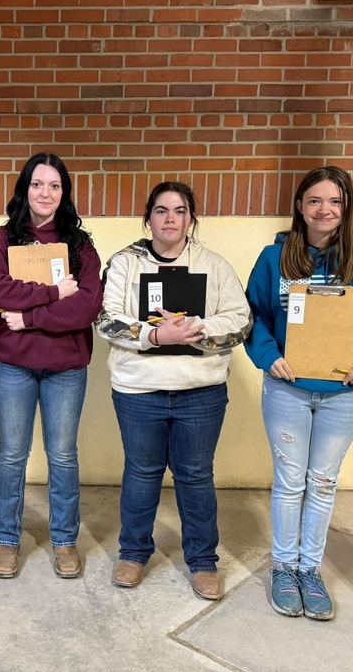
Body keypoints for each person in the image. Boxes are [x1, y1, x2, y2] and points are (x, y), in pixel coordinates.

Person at [244, 165, 353, 620]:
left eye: (334, 201)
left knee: (323, 484)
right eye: (314, 200)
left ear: (346, 206)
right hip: (287, 389)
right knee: (290, 484)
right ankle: (283, 568)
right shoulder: (274, 260)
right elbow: (253, 314)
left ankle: (310, 570)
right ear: (300, 207)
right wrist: (268, 354)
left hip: (344, 393)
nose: (324, 209)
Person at [96, 181, 251, 600]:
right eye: (161, 211)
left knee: (196, 475)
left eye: (179, 211)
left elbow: (240, 320)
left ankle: (202, 562)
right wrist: (155, 336)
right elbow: (106, 318)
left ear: (190, 219)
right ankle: (132, 553)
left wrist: (196, 330)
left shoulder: (214, 266)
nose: (170, 218)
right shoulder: (125, 264)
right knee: (142, 472)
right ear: (148, 218)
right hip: (138, 390)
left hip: (199, 391)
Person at [0, 152, 102, 579]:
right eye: (37, 184)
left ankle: (65, 540)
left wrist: (29, 316)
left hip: (66, 366)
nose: (45, 193)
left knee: (63, 456)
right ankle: (7, 541)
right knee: (12, 455)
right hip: (13, 364)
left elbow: (86, 307)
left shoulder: (80, 245)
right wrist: (53, 291)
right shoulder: (2, 238)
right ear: (24, 189)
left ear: (64, 193)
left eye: (54, 185)